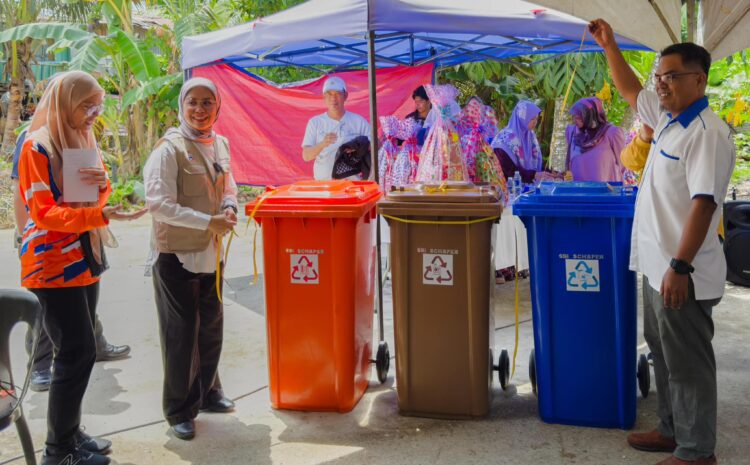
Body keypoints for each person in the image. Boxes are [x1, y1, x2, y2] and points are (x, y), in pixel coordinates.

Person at [590, 19, 735, 465]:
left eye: (671, 76)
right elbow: (632, 91)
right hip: (656, 265)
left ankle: (696, 451)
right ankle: (673, 430)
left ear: (699, 79)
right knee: (663, 354)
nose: (662, 84)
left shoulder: (706, 134)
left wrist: (680, 266)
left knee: (688, 361)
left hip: (680, 271)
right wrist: (610, 45)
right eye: (660, 77)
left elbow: (704, 205)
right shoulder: (669, 119)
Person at [17, 71, 147, 465]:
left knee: (82, 350)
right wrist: (98, 215)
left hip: (83, 258)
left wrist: (103, 187)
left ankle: (69, 432)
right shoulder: (36, 147)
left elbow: (92, 197)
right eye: (86, 105)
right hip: (51, 264)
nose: (95, 112)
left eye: (99, 104)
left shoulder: (82, 140)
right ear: (64, 102)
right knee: (76, 352)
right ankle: (58, 452)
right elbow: (44, 213)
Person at [144, 77, 238, 441]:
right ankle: (179, 410)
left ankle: (209, 392)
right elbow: (159, 205)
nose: (199, 109)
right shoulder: (168, 150)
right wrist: (207, 221)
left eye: (207, 103)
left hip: (210, 253)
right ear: (182, 106)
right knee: (181, 333)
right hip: (176, 256)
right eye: (193, 102)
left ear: (217, 107)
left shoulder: (220, 143)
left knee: (211, 325)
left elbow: (228, 183)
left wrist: (229, 205)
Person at [11, 120, 131, 395]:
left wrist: (101, 191)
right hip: (49, 245)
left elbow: (91, 189)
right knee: (47, 313)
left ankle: (95, 344)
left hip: (83, 235)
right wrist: (23, 236)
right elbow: (22, 191)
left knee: (84, 309)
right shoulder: (34, 140)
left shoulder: (81, 134)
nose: (90, 112)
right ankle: (40, 366)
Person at [301, 76, 370, 180]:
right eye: (329, 94)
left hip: (352, 185)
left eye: (337, 94)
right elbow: (306, 156)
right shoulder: (315, 122)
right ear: (324, 97)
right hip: (324, 184)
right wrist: (322, 144)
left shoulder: (358, 121)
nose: (333, 98)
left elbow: (376, 146)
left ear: (345, 96)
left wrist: (359, 147)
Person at [492, 100, 556, 183]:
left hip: (528, 186)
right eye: (532, 118)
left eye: (536, 118)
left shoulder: (529, 135)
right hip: (509, 188)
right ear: (522, 118)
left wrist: (550, 173)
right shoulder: (504, 139)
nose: (535, 122)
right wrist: (533, 175)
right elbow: (507, 171)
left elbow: (536, 164)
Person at [565, 96, 626, 182]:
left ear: (591, 116)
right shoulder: (572, 132)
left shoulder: (612, 133)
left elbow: (623, 164)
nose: (574, 120)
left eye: (578, 117)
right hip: (578, 192)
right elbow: (569, 163)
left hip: (606, 192)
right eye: (573, 117)